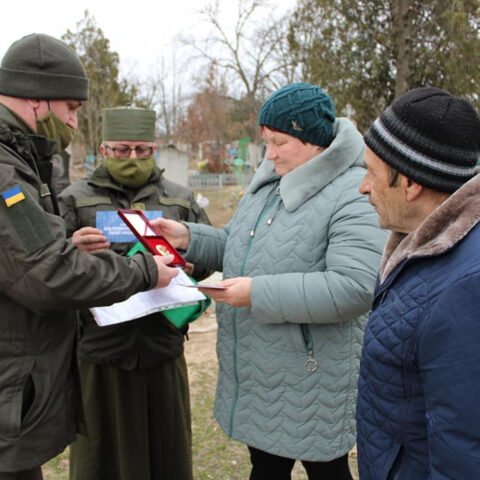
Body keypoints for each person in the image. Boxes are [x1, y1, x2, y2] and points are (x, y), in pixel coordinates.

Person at [152, 82, 386, 480]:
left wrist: (255, 292)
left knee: (326, 470)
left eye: (280, 142)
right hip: (262, 369)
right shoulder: (270, 182)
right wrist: (190, 238)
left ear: (314, 142)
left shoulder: (352, 192)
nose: (270, 153)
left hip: (312, 375)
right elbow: (243, 248)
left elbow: (354, 287)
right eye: (266, 142)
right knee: (264, 466)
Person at [0, 34, 178, 480]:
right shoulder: (6, 169)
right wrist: (143, 271)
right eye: (72, 109)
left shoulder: (18, 158)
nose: (76, 122)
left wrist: (63, 247)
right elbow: (45, 274)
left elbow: (26, 256)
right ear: (37, 100)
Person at [58, 105, 211, 480]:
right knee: (101, 460)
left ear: (154, 149)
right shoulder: (74, 200)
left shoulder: (178, 200)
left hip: (162, 349)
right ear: (104, 149)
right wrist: (72, 246)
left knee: (166, 456)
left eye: (142, 151)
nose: (133, 159)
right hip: (100, 353)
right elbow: (51, 266)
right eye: (123, 150)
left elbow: (208, 254)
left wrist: (190, 263)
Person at [356, 87, 480, 479]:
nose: (363, 187)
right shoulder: (421, 246)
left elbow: (464, 449)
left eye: (371, 173)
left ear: (410, 183)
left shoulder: (464, 288)